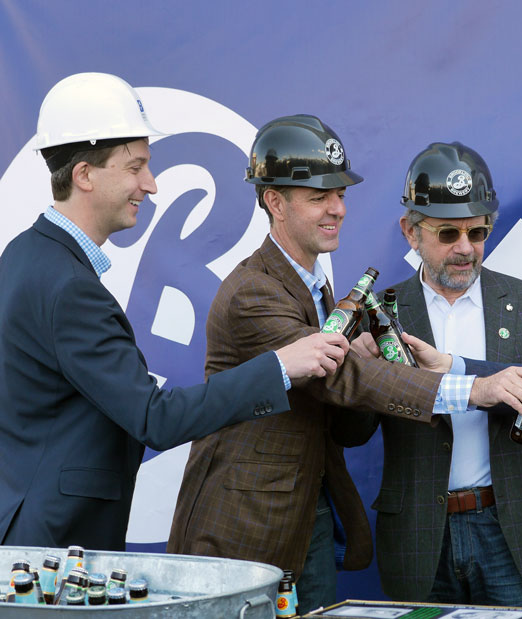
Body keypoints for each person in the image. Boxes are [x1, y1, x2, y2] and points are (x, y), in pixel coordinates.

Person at [167, 121, 522, 612]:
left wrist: (365, 367)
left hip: (309, 519)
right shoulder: (253, 292)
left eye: (341, 193)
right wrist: (471, 388)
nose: (338, 208)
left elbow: (341, 412)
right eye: (319, 196)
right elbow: (340, 377)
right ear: (274, 202)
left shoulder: (319, 287)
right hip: (248, 528)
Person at [0, 73, 346, 551]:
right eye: (135, 166)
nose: (152, 183)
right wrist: (280, 366)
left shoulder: (25, 256)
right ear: (84, 175)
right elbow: (153, 419)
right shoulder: (67, 287)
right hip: (56, 551)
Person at [356, 142, 522, 608]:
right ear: (411, 232)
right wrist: (359, 375)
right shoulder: (379, 313)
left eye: (478, 232)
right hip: (420, 537)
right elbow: (353, 431)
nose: (465, 248)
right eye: (447, 234)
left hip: (515, 534)